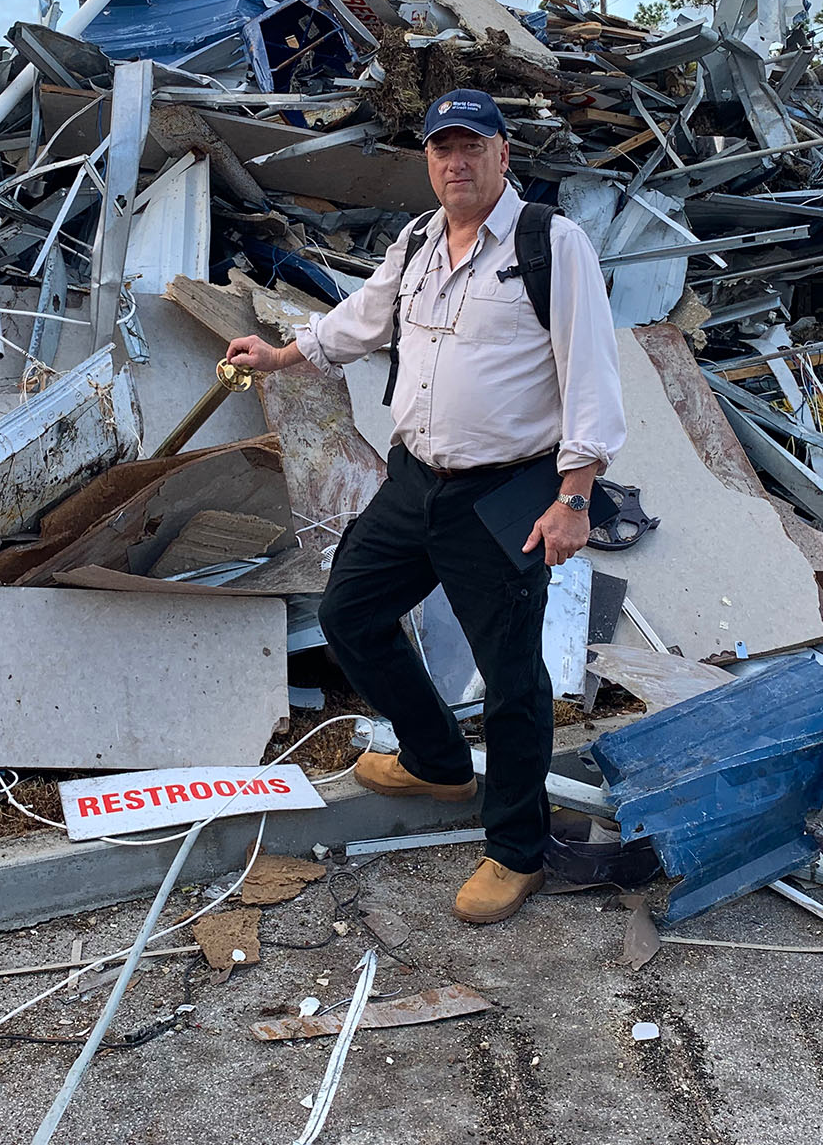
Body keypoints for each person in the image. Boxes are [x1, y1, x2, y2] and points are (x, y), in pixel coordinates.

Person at [226, 88, 625, 925]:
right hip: (414, 481)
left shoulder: (553, 245)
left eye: (472, 146)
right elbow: (359, 324)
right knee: (350, 614)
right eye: (442, 149)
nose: (456, 163)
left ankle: (516, 850)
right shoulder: (415, 243)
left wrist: (575, 499)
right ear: (429, 162)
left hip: (505, 492)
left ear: (503, 153)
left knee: (513, 675)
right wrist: (278, 354)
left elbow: (591, 374)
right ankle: (438, 757)